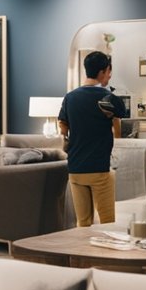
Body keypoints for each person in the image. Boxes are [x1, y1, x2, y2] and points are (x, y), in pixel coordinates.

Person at [58, 50, 126, 227]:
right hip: (99, 170)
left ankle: (82, 253)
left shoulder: (70, 97)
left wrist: (68, 137)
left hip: (75, 169)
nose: (109, 76)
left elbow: (62, 124)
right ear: (102, 71)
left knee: (83, 222)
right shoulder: (108, 98)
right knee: (107, 223)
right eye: (109, 72)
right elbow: (119, 116)